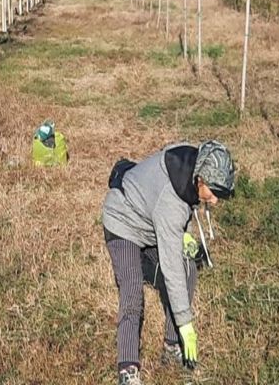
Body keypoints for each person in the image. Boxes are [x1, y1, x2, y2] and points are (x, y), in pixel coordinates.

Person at [101, 141, 235, 385]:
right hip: (122, 222)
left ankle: (171, 346)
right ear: (201, 180)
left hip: (150, 223)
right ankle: (128, 369)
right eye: (214, 192)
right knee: (132, 290)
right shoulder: (170, 203)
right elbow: (171, 268)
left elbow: (178, 209)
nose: (214, 201)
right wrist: (186, 323)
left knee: (189, 270)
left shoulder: (191, 166)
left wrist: (183, 232)